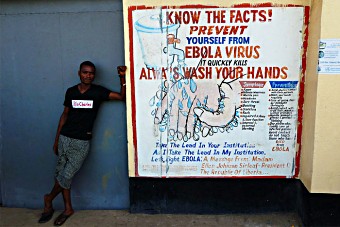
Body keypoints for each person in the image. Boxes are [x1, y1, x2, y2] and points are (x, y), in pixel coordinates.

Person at [38, 61, 126, 226]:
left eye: (91, 73)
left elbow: (122, 97)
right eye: (85, 72)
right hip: (65, 138)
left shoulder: (98, 92)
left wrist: (122, 78)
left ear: (94, 75)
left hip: (82, 141)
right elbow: (64, 115)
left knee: (66, 175)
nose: (88, 75)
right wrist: (56, 140)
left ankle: (48, 199)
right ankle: (68, 209)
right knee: (61, 174)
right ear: (79, 73)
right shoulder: (71, 92)